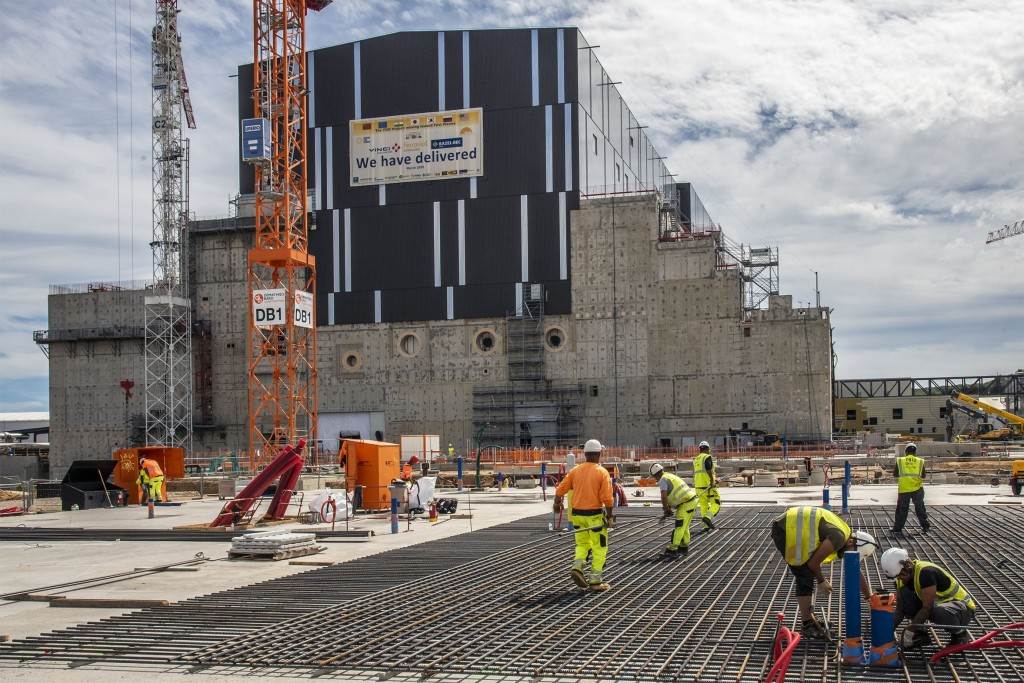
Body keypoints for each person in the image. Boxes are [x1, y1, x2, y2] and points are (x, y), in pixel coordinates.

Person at [771, 505, 877, 637]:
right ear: (851, 542)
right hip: (787, 528)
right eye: (853, 553)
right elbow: (813, 563)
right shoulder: (838, 537)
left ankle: (809, 620)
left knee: (806, 571)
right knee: (805, 573)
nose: (849, 557)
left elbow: (855, 570)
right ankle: (807, 624)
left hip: (790, 525)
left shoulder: (844, 534)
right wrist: (821, 580)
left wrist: (869, 598)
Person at [880, 547, 975, 648]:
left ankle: (960, 635)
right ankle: (920, 634)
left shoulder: (926, 573)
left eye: (900, 575)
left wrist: (910, 631)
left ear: (907, 565)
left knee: (937, 611)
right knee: (905, 599)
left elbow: (927, 608)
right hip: (938, 604)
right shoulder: (899, 576)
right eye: (897, 577)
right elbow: (900, 609)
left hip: (961, 608)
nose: (900, 579)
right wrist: (887, 631)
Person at [553, 439, 614, 591]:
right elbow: (607, 498)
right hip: (594, 516)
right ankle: (595, 581)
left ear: (585, 454)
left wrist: (557, 503)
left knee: (582, 544)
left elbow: (561, 489)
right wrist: (609, 516)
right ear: (599, 454)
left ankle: (577, 567)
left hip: (577, 516)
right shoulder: (602, 472)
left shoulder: (575, 471)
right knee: (600, 547)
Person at [650, 463, 699, 557]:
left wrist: (666, 509)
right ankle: (684, 547)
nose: (655, 479)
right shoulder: (670, 476)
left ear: (656, 474)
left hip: (686, 504)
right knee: (684, 526)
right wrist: (669, 508)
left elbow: (664, 496)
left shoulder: (663, 480)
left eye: (654, 477)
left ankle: (672, 549)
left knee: (679, 526)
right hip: (692, 501)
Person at [891, 443, 929, 534]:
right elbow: (923, 475)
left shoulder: (900, 460)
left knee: (902, 509)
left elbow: (895, 474)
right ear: (915, 452)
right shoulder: (920, 461)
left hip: (904, 489)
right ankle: (925, 526)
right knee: (920, 508)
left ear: (906, 452)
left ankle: (897, 528)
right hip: (917, 488)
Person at [693, 440, 720, 530]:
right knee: (716, 502)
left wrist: (715, 478)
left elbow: (701, 472)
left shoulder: (696, 459)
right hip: (708, 486)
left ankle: (706, 526)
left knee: (704, 506)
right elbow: (708, 470)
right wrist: (712, 481)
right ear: (707, 448)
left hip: (698, 486)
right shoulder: (707, 457)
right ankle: (708, 517)